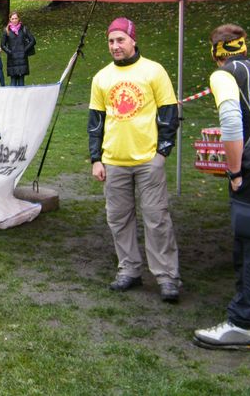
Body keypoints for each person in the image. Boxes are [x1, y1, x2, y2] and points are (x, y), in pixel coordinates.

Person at [88, 17, 181, 302]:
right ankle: (129, 269)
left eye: (120, 40)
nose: (115, 46)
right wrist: (96, 159)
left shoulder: (154, 71)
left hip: (147, 159)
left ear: (133, 40)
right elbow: (95, 122)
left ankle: (166, 276)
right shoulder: (101, 77)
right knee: (118, 218)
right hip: (114, 160)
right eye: (111, 41)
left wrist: (162, 152)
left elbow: (169, 113)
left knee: (156, 218)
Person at [193, 24, 250, 351]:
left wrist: (234, 171)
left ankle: (242, 324)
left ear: (216, 51)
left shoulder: (224, 76)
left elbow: (232, 123)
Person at [1, 11, 35, 86]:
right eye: (12, 18)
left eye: (16, 18)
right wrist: (10, 52)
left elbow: (33, 41)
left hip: (22, 59)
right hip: (12, 59)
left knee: (21, 81)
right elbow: (3, 45)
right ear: (10, 19)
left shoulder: (24, 29)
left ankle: (21, 98)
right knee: (13, 81)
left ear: (19, 18)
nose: (14, 20)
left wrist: (24, 50)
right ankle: (12, 98)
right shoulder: (6, 31)